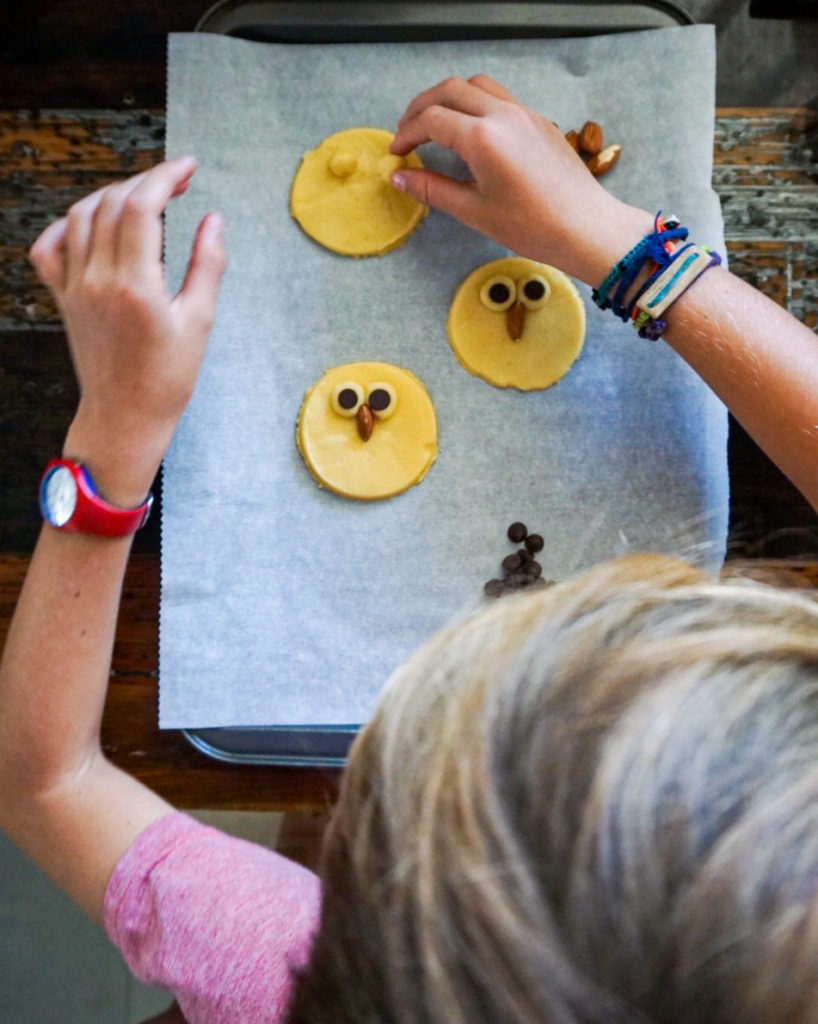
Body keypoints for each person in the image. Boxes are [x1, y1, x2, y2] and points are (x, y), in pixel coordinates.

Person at [1, 74, 817, 1024]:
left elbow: (41, 778)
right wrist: (627, 252)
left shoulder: (278, 970)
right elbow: (43, 782)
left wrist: (114, 428)